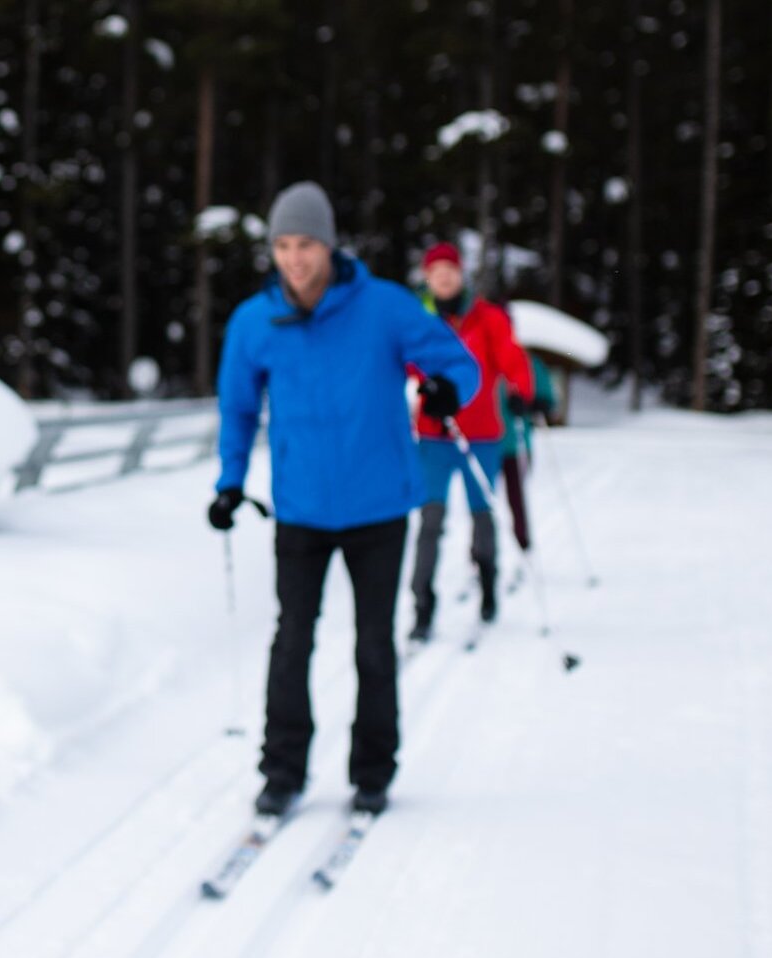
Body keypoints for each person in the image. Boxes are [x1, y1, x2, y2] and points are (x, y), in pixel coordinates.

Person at [211, 182, 480, 819]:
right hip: (300, 509)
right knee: (291, 640)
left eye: (305, 244)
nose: (294, 259)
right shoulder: (254, 322)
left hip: (380, 506)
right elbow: (238, 408)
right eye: (282, 245)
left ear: (329, 245)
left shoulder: (383, 307)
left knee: (373, 643)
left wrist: (447, 390)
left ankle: (373, 772)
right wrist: (229, 481)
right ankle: (282, 771)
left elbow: (457, 361)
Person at [408, 242, 536, 639]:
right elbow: (407, 360)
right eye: (435, 271)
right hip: (434, 434)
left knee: (482, 514)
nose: (443, 276)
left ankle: (488, 588)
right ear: (427, 278)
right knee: (430, 519)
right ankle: (422, 604)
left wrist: (521, 392)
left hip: (481, 434)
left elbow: (512, 358)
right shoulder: (419, 318)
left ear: (461, 274)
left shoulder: (488, 317)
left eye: (450, 269)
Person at [499, 351, 560, 563]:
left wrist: (538, 403)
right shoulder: (478, 355)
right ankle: (480, 554)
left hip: (516, 444)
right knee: (482, 503)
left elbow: (547, 396)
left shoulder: (527, 362)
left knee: (516, 497)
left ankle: (523, 544)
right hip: (485, 443)